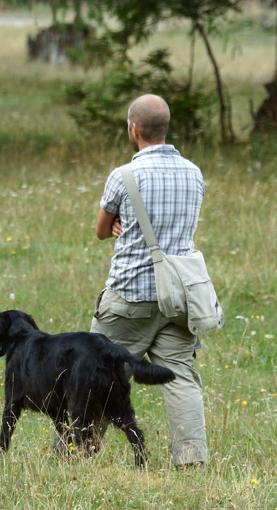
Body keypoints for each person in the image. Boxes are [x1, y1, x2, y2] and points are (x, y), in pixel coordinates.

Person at [90, 94, 208, 469]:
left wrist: (119, 226)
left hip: (130, 295)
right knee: (180, 375)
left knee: (95, 372)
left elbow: (101, 230)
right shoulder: (194, 172)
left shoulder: (124, 176)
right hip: (179, 297)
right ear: (165, 127)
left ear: (134, 129)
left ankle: (77, 448)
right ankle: (190, 459)